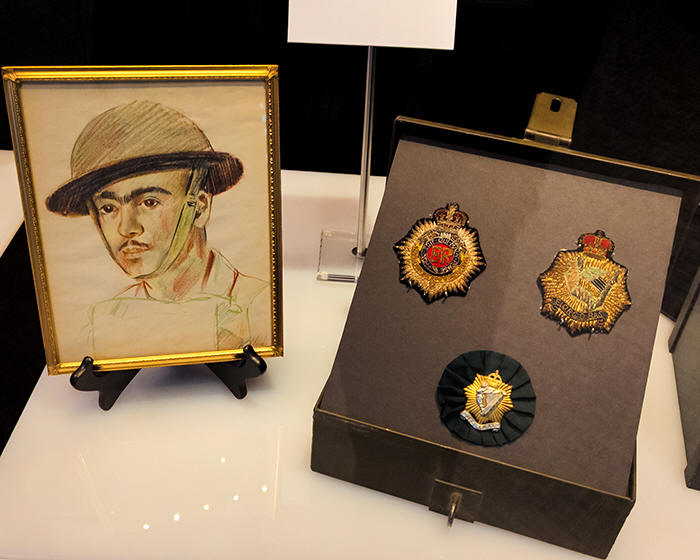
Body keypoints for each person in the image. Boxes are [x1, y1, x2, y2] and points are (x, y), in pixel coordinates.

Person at [46, 100, 269, 355]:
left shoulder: (256, 306)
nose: (126, 228)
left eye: (149, 202)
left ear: (200, 207)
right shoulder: (104, 321)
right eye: (108, 208)